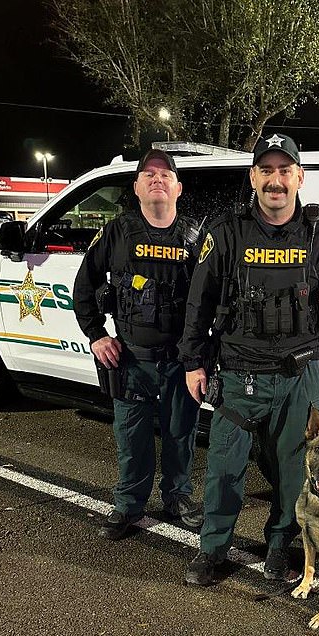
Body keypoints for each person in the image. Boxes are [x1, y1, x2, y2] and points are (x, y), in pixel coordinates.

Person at [178, 133, 319, 585]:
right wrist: (194, 363)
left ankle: (280, 545)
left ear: (300, 177)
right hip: (239, 375)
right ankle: (213, 550)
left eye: (284, 170)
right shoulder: (226, 233)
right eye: (267, 171)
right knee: (223, 470)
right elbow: (198, 304)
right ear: (253, 176)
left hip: (301, 375)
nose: (276, 181)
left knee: (296, 473)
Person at [73, 149, 204, 539]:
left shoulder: (197, 237)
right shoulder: (116, 232)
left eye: (166, 174)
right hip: (132, 361)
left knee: (181, 434)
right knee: (132, 438)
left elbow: (212, 300)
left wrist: (202, 356)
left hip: (181, 362)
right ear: (136, 187)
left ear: (178, 188)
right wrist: (96, 334)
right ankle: (129, 504)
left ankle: (178, 498)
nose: (157, 179)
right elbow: (84, 286)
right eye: (148, 174)